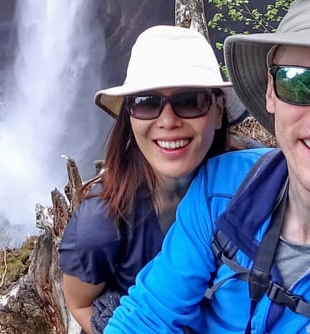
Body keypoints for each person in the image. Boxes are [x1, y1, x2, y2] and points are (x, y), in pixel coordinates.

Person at [104, 0, 310, 334]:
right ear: (271, 94)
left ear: (218, 110)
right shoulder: (221, 188)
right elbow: (148, 318)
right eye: (298, 81)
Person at [59, 24, 235, 333]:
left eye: (190, 100)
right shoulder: (99, 228)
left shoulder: (254, 182)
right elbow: (79, 303)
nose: (168, 121)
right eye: (146, 102)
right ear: (129, 116)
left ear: (218, 110)